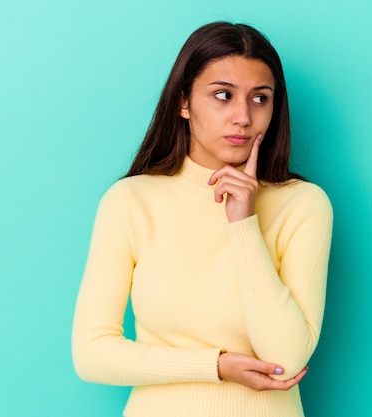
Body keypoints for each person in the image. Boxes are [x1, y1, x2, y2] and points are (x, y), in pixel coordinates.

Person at [72, 21, 333, 417]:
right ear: (184, 102)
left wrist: (243, 224)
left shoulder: (303, 205)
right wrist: (215, 366)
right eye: (223, 95)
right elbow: (91, 354)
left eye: (260, 98)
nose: (243, 117)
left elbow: (286, 359)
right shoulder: (131, 201)